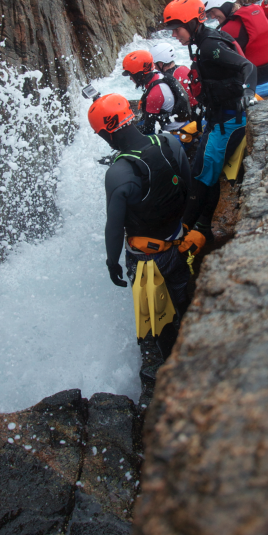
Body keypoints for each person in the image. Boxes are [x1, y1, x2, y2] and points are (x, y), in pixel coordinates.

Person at [88, 92, 193, 365]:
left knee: (158, 323)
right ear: (130, 115)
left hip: (146, 260)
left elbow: (114, 228)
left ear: (105, 135)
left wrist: (112, 263)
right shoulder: (168, 141)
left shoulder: (118, 174)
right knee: (186, 300)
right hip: (178, 242)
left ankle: (169, 364)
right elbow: (187, 184)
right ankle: (197, 346)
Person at [163, 0, 256, 237]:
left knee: (202, 175)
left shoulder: (210, 46)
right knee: (200, 171)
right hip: (218, 118)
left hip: (230, 121)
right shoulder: (202, 41)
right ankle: (202, 224)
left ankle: (185, 232)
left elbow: (248, 67)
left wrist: (249, 91)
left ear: (193, 23)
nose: (175, 35)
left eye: (177, 29)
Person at [200, 0, 268, 96]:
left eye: (213, 11)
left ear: (223, 5)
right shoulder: (256, 9)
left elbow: (226, 67)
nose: (212, 17)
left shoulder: (229, 28)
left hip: (256, 87)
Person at [122, 49, 190, 134]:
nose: (130, 79)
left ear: (139, 75)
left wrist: (126, 132)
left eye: (131, 75)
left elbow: (148, 129)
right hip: (179, 121)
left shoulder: (154, 94)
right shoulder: (159, 75)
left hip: (176, 132)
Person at [149, 41, 195, 106]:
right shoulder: (184, 68)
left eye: (154, 63)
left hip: (187, 113)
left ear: (160, 63)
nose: (154, 67)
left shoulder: (165, 79)